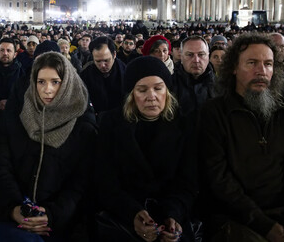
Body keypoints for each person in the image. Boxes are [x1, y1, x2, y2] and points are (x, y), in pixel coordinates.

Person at [199, 32, 284, 241]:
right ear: (234, 68)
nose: (261, 71)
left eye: (268, 64)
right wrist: (265, 226)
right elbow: (219, 180)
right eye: (252, 63)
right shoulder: (213, 113)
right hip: (234, 218)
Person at [0, 52, 97, 241]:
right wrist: (13, 208)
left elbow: (81, 183)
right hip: (12, 215)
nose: (47, 90)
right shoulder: (16, 115)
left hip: (60, 225)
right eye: (41, 82)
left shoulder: (83, 126)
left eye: (55, 82)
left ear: (67, 83)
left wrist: (51, 214)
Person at [96, 56, 197, 242]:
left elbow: (188, 181)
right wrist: (132, 213)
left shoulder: (184, 125)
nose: (152, 96)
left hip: (171, 215)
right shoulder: (110, 124)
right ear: (131, 94)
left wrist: (173, 214)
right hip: (123, 216)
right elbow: (105, 181)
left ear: (167, 91)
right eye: (142, 90)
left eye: (158, 88)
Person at [172, 36, 215, 120]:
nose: (196, 60)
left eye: (201, 54)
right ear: (181, 57)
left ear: (208, 56)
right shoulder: (168, 85)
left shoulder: (222, 86)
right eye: (190, 55)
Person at [80, 36, 126, 114]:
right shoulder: (85, 75)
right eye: (98, 61)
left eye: (106, 60)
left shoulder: (126, 73)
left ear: (114, 54)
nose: (102, 65)